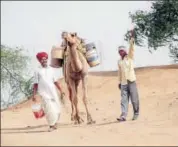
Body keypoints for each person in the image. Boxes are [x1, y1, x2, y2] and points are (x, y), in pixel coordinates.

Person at [32, 52, 65, 132]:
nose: (44, 60)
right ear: (39, 61)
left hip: (53, 92)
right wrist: (34, 94)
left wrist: (61, 90)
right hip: (43, 93)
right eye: (42, 59)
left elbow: (55, 81)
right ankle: (51, 125)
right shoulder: (37, 71)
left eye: (45, 59)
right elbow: (35, 84)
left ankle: (55, 123)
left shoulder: (51, 69)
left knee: (57, 108)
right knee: (48, 108)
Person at [117, 37, 140, 122]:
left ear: (125, 51)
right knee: (123, 100)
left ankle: (136, 114)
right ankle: (123, 116)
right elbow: (119, 72)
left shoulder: (130, 57)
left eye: (121, 51)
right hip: (123, 83)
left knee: (134, 99)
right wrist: (119, 82)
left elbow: (132, 49)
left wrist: (132, 41)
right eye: (119, 51)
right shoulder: (119, 61)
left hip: (131, 81)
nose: (120, 52)